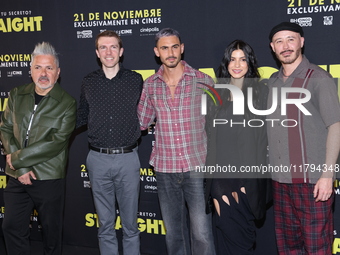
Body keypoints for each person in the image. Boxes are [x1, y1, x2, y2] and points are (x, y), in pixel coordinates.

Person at [138, 28, 215, 255]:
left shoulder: (203, 81)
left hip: (197, 166)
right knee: (173, 233)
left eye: (174, 47)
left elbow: (217, 123)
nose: (170, 52)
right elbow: (142, 122)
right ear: (157, 52)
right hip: (164, 169)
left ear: (181, 48)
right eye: (164, 48)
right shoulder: (150, 84)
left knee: (202, 233)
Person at [267, 22, 340, 254]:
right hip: (280, 182)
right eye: (279, 41)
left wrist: (328, 175)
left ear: (301, 41)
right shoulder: (272, 82)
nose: (285, 46)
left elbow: (335, 127)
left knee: (317, 247)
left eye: (291, 39)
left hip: (313, 183)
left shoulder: (319, 78)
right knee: (288, 248)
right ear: (272, 47)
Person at [0, 42, 76, 255]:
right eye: (38, 67)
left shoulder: (67, 103)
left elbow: (56, 142)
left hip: (48, 176)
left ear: (58, 72)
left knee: (51, 234)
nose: (44, 73)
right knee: (11, 227)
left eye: (49, 68)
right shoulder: (16, 94)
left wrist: (17, 160)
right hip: (17, 176)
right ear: (30, 71)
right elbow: (5, 128)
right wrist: (20, 168)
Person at [76, 30, 143, 255]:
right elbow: (81, 116)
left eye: (113, 46)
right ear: (97, 53)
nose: (108, 51)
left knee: (131, 225)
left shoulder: (135, 80)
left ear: (121, 51)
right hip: (97, 160)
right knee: (105, 225)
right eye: (103, 47)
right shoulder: (88, 82)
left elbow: (148, 113)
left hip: (128, 159)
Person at [205, 40, 270, 254]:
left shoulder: (262, 94)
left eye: (243, 59)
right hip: (220, 180)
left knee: (243, 238)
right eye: (232, 59)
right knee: (224, 233)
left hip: (247, 180)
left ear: (249, 64)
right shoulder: (215, 94)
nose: (237, 64)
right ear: (226, 63)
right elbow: (208, 137)